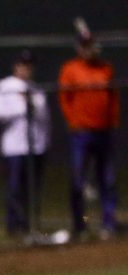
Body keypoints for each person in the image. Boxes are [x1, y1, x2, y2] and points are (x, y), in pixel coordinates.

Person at [58, 28, 120, 239]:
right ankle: (79, 224)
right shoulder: (70, 69)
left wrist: (112, 121)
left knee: (107, 179)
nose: (88, 50)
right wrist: (73, 121)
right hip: (81, 132)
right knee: (78, 179)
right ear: (78, 48)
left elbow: (113, 98)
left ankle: (108, 223)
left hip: (104, 131)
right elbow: (64, 99)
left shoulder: (105, 69)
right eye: (84, 46)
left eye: (90, 45)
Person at [0, 50, 50, 237]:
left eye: (29, 65)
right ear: (16, 66)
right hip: (14, 147)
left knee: (32, 190)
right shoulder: (5, 86)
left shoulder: (37, 89)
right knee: (14, 188)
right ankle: (14, 227)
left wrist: (45, 143)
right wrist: (22, 108)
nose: (26, 69)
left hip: (36, 147)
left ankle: (30, 225)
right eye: (23, 65)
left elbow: (45, 119)